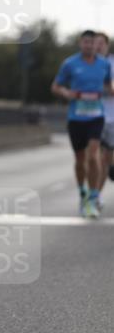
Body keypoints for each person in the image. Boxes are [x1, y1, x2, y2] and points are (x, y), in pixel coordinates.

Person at [51, 29, 112, 219]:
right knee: (80, 159)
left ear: (97, 45)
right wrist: (67, 94)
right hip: (76, 117)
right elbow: (55, 86)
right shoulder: (70, 64)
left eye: (92, 43)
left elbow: (109, 87)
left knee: (94, 154)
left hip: (96, 116)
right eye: (85, 42)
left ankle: (93, 198)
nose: (89, 46)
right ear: (80, 43)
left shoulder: (104, 64)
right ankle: (82, 193)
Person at [95, 31, 114, 206]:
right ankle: (95, 197)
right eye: (95, 43)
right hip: (92, 118)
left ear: (107, 46)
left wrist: (100, 87)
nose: (98, 46)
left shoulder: (112, 64)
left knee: (107, 161)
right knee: (95, 160)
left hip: (112, 119)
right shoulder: (87, 64)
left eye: (101, 43)